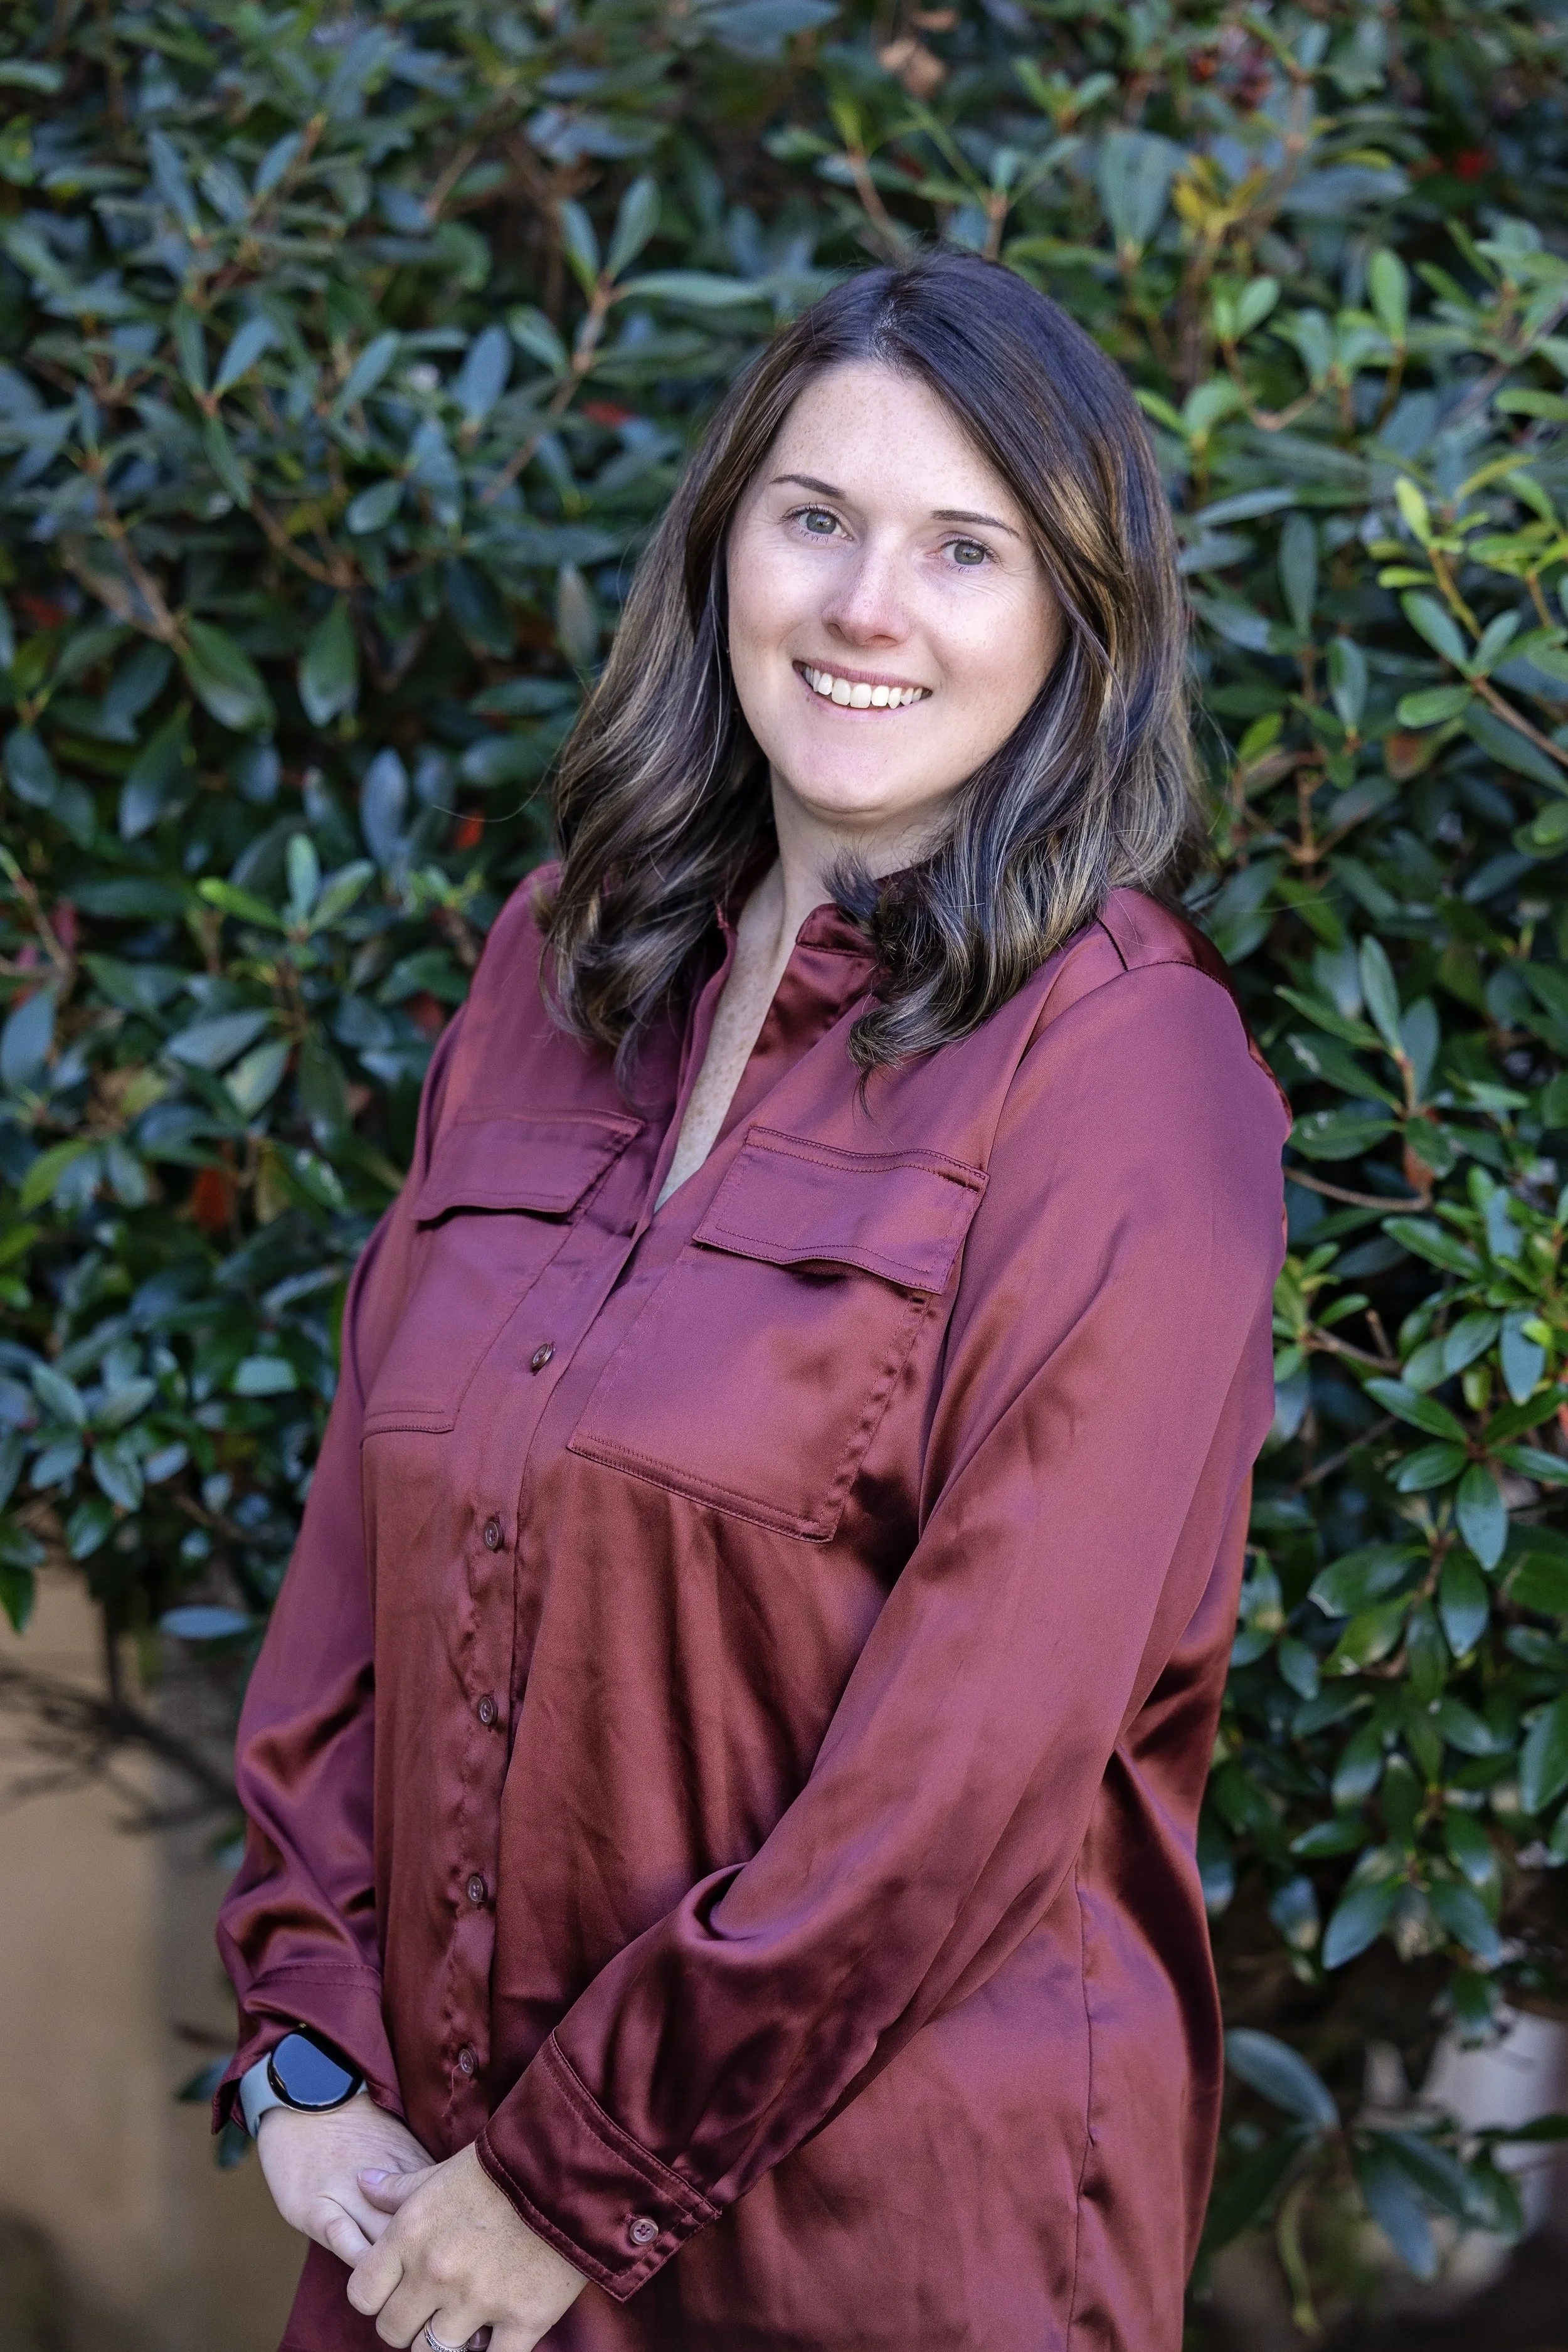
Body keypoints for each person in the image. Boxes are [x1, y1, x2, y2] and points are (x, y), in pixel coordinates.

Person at [216, 251, 1288, 2352]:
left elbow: (969, 1768)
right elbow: (357, 1568)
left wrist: (571, 2181)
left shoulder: (1128, 1079)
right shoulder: (551, 970)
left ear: (1078, 622)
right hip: (426, 2229)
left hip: (874, 2260)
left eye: (964, 548)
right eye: (815, 518)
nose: (866, 604)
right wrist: (302, 2036)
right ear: (722, 553)